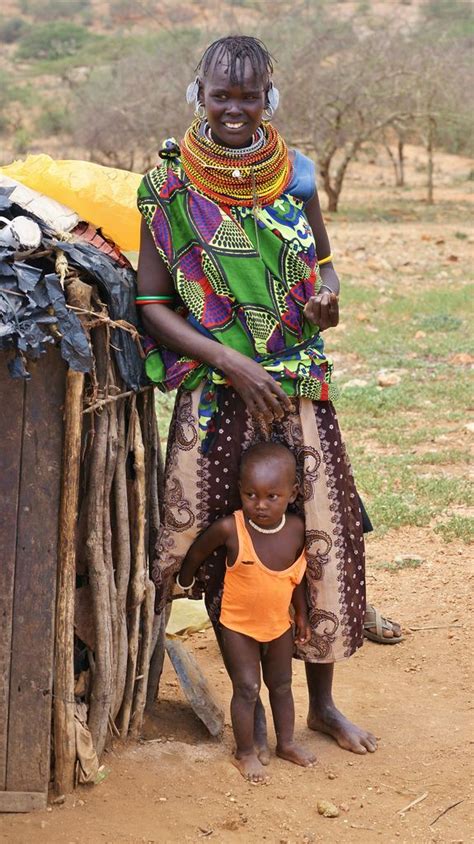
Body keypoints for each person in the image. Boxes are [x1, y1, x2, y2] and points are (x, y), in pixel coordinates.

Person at [137, 34, 378, 755]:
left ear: (268, 96)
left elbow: (327, 273)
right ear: (198, 94)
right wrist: (231, 363)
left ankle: (323, 706)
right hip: (216, 393)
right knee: (219, 541)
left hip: (298, 386)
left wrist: (326, 303)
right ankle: (247, 696)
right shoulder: (168, 188)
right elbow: (152, 301)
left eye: (249, 96)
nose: (235, 109)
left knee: (319, 536)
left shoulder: (297, 176)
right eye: (222, 96)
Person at [178, 442, 316, 782]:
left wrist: (299, 614)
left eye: (273, 496)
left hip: (278, 625)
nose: (261, 505)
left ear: (293, 493)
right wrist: (185, 580)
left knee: (282, 684)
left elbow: (295, 577)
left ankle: (286, 742)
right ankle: (244, 752)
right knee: (247, 688)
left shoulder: (297, 530)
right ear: (240, 491)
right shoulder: (231, 529)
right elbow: (197, 551)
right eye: (251, 495)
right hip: (238, 626)